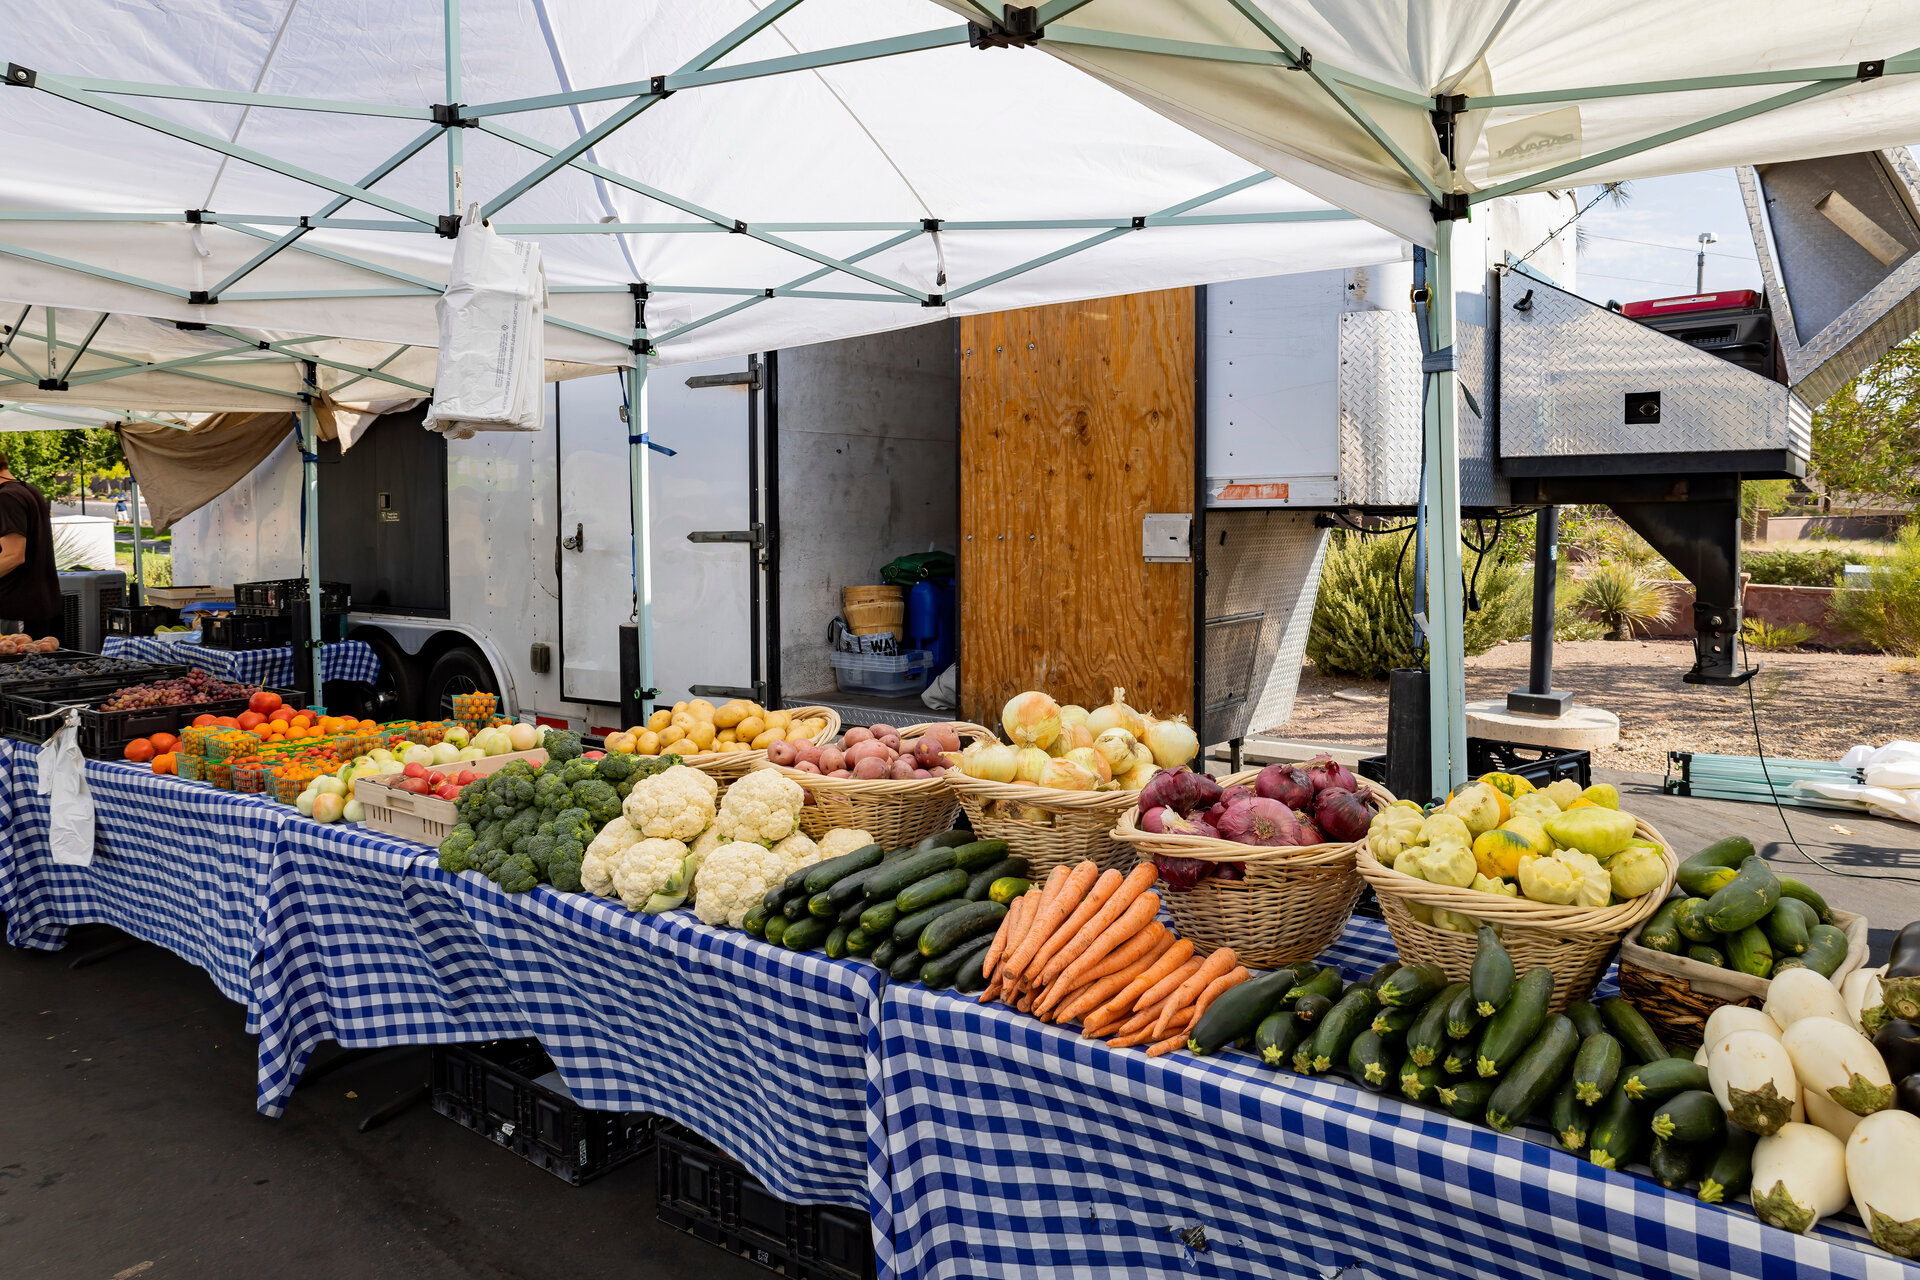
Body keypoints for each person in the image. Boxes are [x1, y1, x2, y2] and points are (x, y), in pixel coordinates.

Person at [0, 452, 62, 643]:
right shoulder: (28, 490)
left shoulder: (6, 497)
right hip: (35, 604)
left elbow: (13, 556)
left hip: (14, 609)